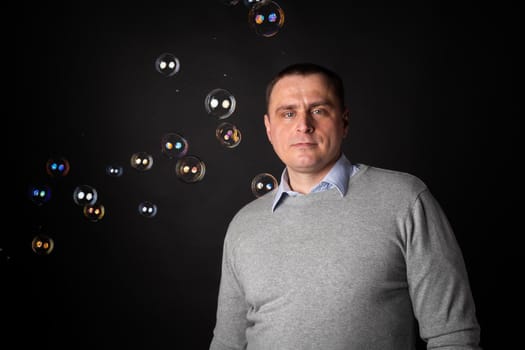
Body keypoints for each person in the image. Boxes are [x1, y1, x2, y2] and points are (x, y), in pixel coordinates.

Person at [209, 62, 481, 349]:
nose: (303, 125)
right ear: (269, 129)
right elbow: (228, 343)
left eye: (318, 110)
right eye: (288, 113)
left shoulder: (405, 200)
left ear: (345, 121)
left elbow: (453, 337)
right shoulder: (244, 224)